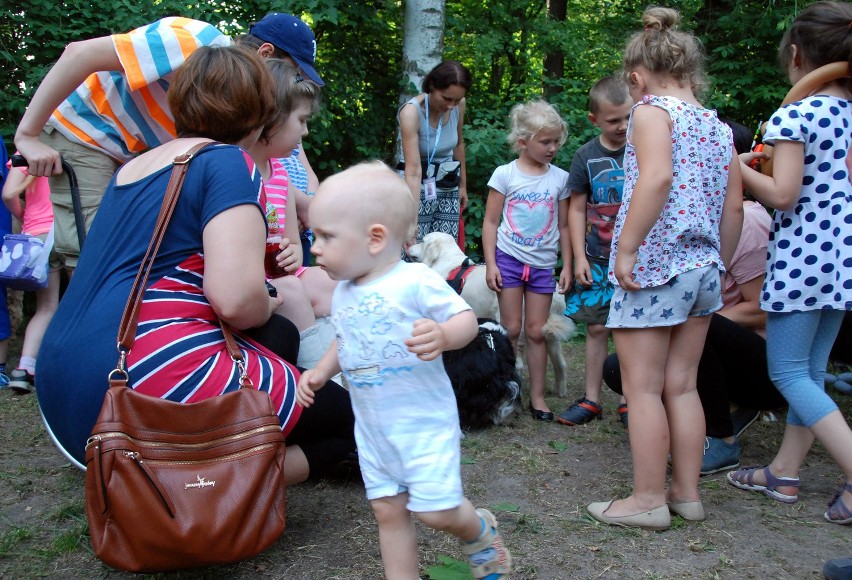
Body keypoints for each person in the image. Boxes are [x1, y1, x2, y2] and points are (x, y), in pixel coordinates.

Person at [34, 45, 356, 484]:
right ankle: (199, 480)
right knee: (350, 423)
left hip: (66, 393)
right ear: (263, 110)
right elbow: (237, 301)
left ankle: (208, 450)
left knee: (276, 334)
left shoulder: (134, 166)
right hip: (141, 382)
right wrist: (269, 296)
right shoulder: (227, 161)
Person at [296, 161, 512, 580]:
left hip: (421, 422)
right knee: (386, 510)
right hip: (374, 428)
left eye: (325, 236)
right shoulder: (343, 292)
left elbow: (468, 319)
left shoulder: (414, 280)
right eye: (313, 235)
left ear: (375, 238)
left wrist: (445, 336)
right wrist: (322, 371)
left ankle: (478, 528)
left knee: (435, 512)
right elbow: (347, 338)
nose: (315, 246)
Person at [586, 6, 744, 531]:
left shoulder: (652, 112)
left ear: (635, 78)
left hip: (655, 267)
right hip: (702, 267)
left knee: (643, 388)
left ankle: (648, 499)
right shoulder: (718, 128)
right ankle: (687, 494)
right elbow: (735, 207)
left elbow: (654, 180)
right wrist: (719, 263)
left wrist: (625, 250)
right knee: (683, 385)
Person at [12, 12, 322, 273]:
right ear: (265, 54)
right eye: (289, 73)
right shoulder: (197, 43)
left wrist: (303, 204)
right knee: (97, 255)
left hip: (124, 156)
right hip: (84, 133)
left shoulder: (228, 91)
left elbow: (250, 163)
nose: (286, 85)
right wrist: (28, 135)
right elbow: (80, 53)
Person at [602, 120, 787, 475]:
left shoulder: (748, 219)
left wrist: (703, 319)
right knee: (619, 368)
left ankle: (722, 437)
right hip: (718, 349)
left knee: (691, 323)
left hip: (764, 365)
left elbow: (763, 308)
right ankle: (703, 423)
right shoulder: (695, 217)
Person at [727, 1, 852, 525]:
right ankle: (784, 471)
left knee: (786, 371)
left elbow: (782, 194)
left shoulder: (796, 113)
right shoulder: (847, 110)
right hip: (844, 260)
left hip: (805, 259)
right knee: (812, 371)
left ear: (796, 55)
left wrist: (736, 168)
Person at [482, 100, 571, 422]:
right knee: (511, 329)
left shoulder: (560, 179)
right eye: (545, 142)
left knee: (536, 331)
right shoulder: (504, 175)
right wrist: (491, 264)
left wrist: (568, 265)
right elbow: (490, 222)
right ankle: (506, 393)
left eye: (556, 141)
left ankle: (537, 396)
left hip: (543, 266)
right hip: (508, 259)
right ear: (523, 142)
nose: (552, 148)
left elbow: (564, 225)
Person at [246, 58, 338, 368]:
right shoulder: (236, 170)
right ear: (271, 118)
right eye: (301, 120)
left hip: (280, 272)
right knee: (293, 292)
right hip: (251, 279)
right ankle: (319, 371)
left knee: (334, 283)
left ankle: (353, 349)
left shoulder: (281, 176)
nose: (306, 131)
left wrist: (292, 255)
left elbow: (294, 243)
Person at [559, 75, 632, 428]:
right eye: (613, 120)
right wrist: (578, 258)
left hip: (637, 259)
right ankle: (591, 399)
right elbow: (575, 208)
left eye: (628, 117)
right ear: (594, 120)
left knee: (632, 330)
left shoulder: (644, 148)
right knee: (598, 329)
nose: (622, 126)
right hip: (598, 258)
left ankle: (629, 399)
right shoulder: (585, 156)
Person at [1, 162, 60, 394]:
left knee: (46, 308)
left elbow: (8, 193)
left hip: (37, 235)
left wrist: (24, 216)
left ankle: (24, 370)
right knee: (82, 302)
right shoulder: (79, 139)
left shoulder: (28, 150)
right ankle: (73, 369)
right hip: (70, 228)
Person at [398, 60, 471, 243]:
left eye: (456, 99)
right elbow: (413, 171)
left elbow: (459, 144)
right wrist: (411, 220)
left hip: (447, 185)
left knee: (444, 251)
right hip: (416, 187)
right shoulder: (411, 113)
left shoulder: (458, 105)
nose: (451, 106)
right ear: (432, 86)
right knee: (413, 248)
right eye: (446, 98)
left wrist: (462, 185)